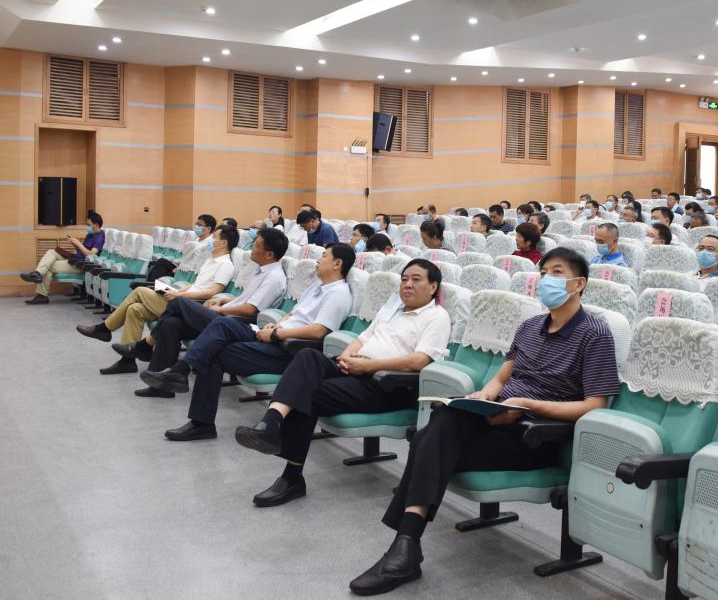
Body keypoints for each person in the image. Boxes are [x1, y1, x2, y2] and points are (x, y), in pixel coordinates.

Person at [346, 247, 618, 595]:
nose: (545, 280)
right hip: (496, 417)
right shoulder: (530, 326)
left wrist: (527, 405)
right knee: (443, 422)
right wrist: (484, 395)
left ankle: (404, 548)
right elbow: (503, 377)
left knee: (428, 441)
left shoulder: (595, 334)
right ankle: (405, 547)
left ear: (578, 284)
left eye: (556, 272)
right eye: (543, 272)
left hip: (535, 436)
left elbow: (594, 405)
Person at [233, 259, 451, 507]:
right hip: (358, 368)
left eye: (416, 279)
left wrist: (367, 366)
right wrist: (347, 356)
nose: (407, 284)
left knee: (310, 392)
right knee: (308, 356)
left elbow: (419, 361)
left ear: (433, 287)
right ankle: (270, 422)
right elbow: (363, 338)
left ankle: (291, 477)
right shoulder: (392, 308)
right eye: (404, 279)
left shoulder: (437, 317)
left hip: (388, 385)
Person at [150, 243, 356, 440]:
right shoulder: (316, 287)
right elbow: (294, 314)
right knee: (218, 335)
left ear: (337, 264)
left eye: (324, 256)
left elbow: (319, 331)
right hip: (273, 336)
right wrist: (276, 325)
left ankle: (185, 381)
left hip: (290, 351)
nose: (318, 261)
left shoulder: (338, 293)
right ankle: (196, 410)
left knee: (214, 338)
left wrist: (277, 334)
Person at [128, 228, 290, 397]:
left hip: (236, 324)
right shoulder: (261, 270)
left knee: (179, 301)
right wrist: (224, 300)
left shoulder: (273, 277)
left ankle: (146, 345)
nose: (252, 249)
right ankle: (161, 387)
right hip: (227, 316)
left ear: (269, 254)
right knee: (171, 324)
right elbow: (246, 299)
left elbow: (250, 309)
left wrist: (221, 309)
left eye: (256, 246)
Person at [76, 224, 239, 375]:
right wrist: (176, 291)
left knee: (139, 291)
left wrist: (179, 296)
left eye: (214, 237)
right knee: (135, 309)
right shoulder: (210, 260)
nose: (210, 239)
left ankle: (105, 329)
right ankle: (127, 362)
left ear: (223, 243)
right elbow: (195, 285)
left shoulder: (225, 264)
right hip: (180, 298)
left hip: (189, 307)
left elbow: (212, 292)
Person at [22, 210, 106, 305]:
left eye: (88, 225)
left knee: (47, 267)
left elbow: (91, 255)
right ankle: (38, 275)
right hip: (75, 259)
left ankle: (41, 293)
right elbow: (83, 251)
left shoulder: (100, 237)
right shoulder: (90, 235)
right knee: (51, 252)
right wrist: (75, 245)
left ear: (96, 224)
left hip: (81, 265)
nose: (87, 227)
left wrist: (78, 243)